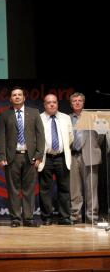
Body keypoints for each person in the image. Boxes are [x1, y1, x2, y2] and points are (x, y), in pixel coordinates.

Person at [0, 86, 45, 227]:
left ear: (24, 97)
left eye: (19, 95)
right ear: (11, 99)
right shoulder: (5, 115)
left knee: (29, 190)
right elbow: (1, 137)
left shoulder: (34, 113)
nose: (17, 97)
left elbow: (40, 136)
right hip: (12, 157)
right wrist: (1, 156)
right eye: (14, 95)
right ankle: (16, 219)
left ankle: (28, 218)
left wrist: (39, 155)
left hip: (30, 157)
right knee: (14, 190)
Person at [38, 94, 74, 225]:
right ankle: (46, 217)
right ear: (44, 104)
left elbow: (70, 137)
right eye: (49, 102)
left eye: (54, 102)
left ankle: (64, 217)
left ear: (57, 104)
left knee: (64, 188)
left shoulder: (65, 118)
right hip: (45, 158)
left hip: (61, 157)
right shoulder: (39, 118)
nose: (52, 105)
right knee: (45, 189)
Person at [69, 92, 103, 224]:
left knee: (91, 189)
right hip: (73, 155)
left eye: (80, 101)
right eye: (74, 101)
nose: (77, 103)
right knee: (75, 190)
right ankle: (75, 216)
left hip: (89, 155)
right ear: (71, 104)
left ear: (84, 103)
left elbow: (100, 136)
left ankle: (92, 217)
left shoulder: (93, 117)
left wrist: (92, 147)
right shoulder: (67, 118)